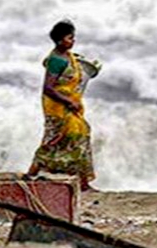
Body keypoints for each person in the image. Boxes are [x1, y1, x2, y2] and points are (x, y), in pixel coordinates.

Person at [27, 20, 97, 192]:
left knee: (81, 134)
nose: (73, 41)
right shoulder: (56, 60)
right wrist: (68, 101)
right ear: (60, 40)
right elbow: (48, 88)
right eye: (69, 38)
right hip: (57, 107)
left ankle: (82, 182)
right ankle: (31, 174)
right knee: (52, 140)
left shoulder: (69, 57)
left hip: (69, 105)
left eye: (73, 38)